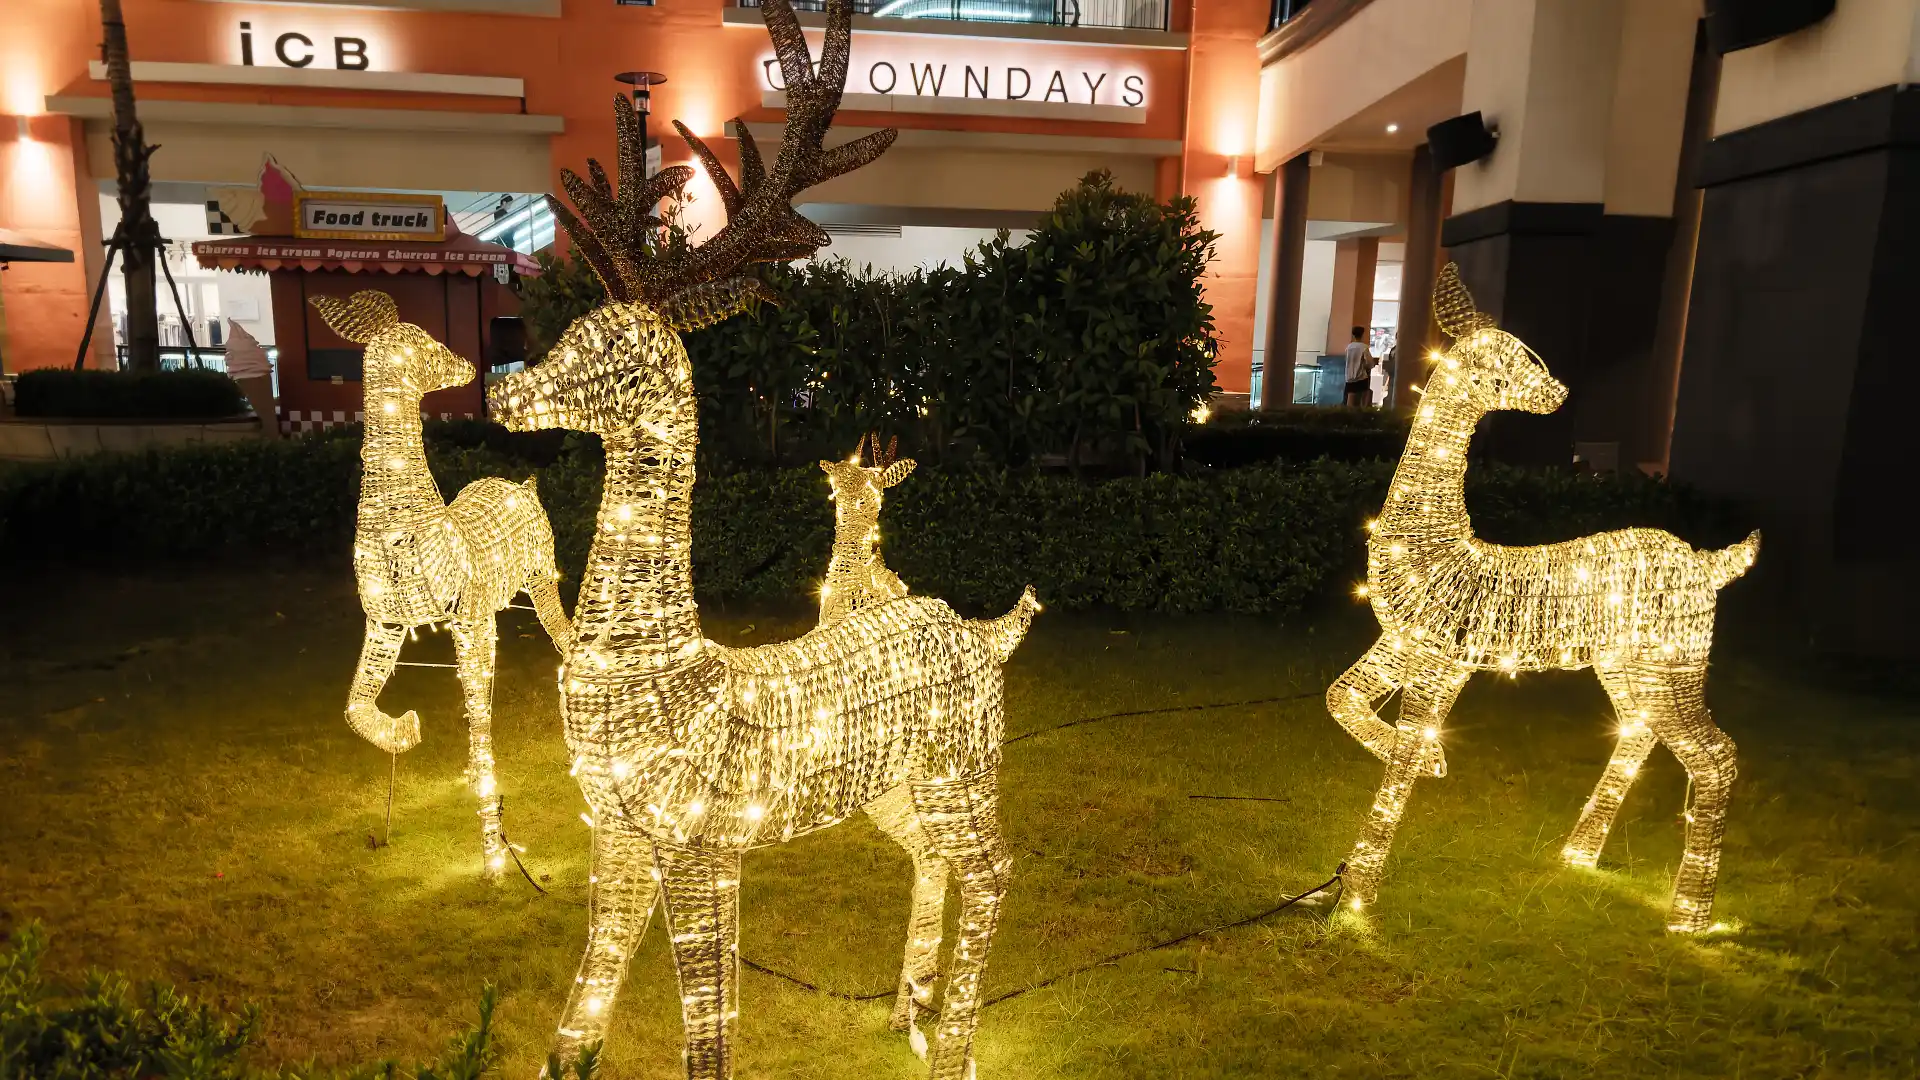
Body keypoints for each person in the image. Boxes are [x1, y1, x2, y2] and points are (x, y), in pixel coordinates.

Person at [1343, 325, 1375, 407]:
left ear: (1353, 335)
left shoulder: (1348, 347)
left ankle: (1349, 416)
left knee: (1350, 398)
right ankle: (1361, 415)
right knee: (1364, 397)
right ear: (1362, 334)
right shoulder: (1364, 347)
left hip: (1349, 377)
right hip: (1361, 376)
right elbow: (1370, 363)